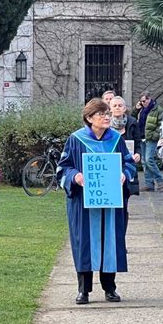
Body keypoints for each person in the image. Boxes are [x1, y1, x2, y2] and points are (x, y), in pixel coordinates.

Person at [57, 98, 136, 304]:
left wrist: (124, 174)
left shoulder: (116, 140)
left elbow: (128, 163)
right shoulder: (76, 139)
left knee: (110, 242)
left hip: (110, 202)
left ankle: (110, 288)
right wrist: (75, 176)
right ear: (89, 118)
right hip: (84, 203)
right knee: (85, 243)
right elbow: (63, 167)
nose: (107, 117)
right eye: (102, 114)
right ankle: (84, 290)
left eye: (108, 113)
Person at [110, 96, 142, 231]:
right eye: (115, 105)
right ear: (110, 109)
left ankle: (121, 239)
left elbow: (138, 143)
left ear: (124, 108)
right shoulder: (106, 124)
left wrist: (138, 154)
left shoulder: (132, 123)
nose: (117, 108)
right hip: (110, 168)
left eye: (120, 105)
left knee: (124, 204)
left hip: (127, 168)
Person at [133, 92, 163, 192]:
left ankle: (161, 182)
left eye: (144, 100)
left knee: (149, 159)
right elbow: (133, 119)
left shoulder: (157, 109)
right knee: (144, 162)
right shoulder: (141, 109)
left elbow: (161, 124)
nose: (143, 103)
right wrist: (136, 109)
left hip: (151, 138)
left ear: (149, 98)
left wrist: (155, 135)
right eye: (141, 101)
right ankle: (149, 184)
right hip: (142, 137)